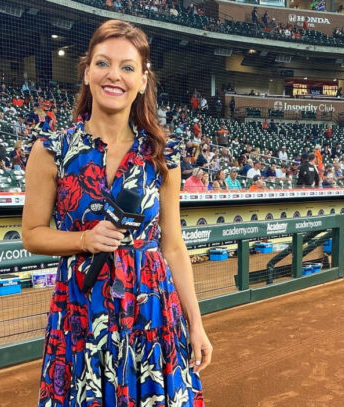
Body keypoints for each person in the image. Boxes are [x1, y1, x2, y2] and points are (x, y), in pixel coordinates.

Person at [21, 20, 207, 406]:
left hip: (151, 311)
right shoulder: (52, 150)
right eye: (103, 63)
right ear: (87, 71)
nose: (114, 76)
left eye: (127, 67)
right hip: (81, 310)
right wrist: (83, 240)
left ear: (142, 80)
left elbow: (172, 246)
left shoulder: (162, 156)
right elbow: (33, 234)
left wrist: (197, 323)